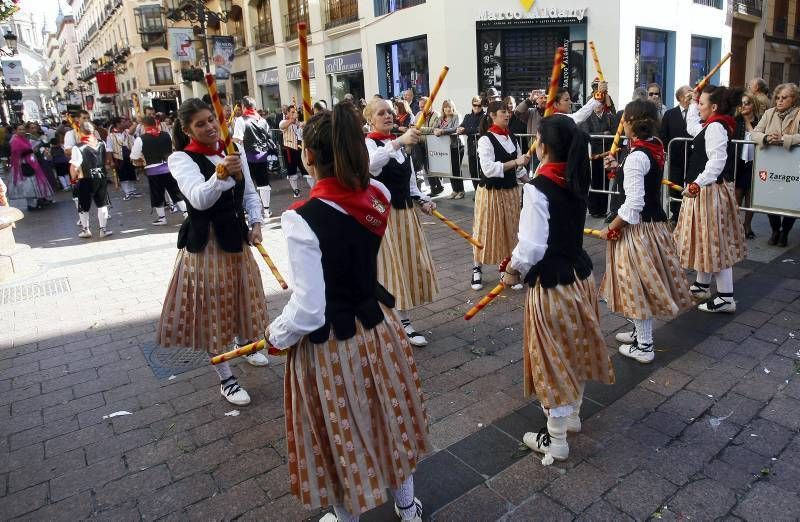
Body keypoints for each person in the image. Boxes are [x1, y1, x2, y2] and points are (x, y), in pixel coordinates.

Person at [266, 102, 429, 522]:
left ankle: (348, 516)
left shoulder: (301, 218)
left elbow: (307, 308)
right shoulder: (379, 195)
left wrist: (276, 336)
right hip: (378, 326)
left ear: (307, 157)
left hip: (333, 345)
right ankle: (407, 505)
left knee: (341, 435)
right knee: (389, 418)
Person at [501, 115, 614, 463]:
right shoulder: (577, 174)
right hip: (579, 278)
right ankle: (572, 416)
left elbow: (532, 246)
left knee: (553, 357)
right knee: (573, 348)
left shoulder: (537, 187)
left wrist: (512, 271)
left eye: (537, 139)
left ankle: (557, 438)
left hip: (553, 285)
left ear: (543, 146)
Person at [159, 98, 270, 406]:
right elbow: (199, 199)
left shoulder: (233, 149)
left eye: (211, 120)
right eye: (200, 123)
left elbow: (248, 192)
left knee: (241, 299)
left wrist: (257, 222)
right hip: (205, 247)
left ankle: (245, 348)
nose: (209, 127)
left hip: (236, 240)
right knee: (214, 313)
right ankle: (226, 379)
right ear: (187, 130)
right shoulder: (180, 159)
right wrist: (221, 174)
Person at [600, 100, 693, 363]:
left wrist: (612, 227)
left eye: (624, 119)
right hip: (654, 226)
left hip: (638, 230)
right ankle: (639, 333)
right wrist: (616, 170)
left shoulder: (637, 156)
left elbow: (634, 204)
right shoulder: (654, 146)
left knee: (636, 285)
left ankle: (644, 345)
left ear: (630, 122)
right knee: (640, 283)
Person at [364, 98, 439, 347]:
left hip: (406, 214)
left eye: (389, 112)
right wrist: (398, 142)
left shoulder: (400, 144)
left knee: (408, 266)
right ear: (370, 119)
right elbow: (371, 166)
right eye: (381, 113)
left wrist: (422, 200)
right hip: (382, 217)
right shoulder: (368, 143)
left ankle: (402, 319)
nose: (387, 116)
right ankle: (393, 322)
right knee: (389, 268)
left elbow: (410, 183)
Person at [674, 85, 747, 313]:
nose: (699, 107)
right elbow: (692, 127)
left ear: (713, 107)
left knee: (715, 242)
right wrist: (695, 101)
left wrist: (696, 184)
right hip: (707, 191)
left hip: (710, 191)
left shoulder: (716, 127)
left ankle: (726, 297)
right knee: (706, 241)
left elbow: (716, 162)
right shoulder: (713, 124)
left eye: (703, 104)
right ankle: (702, 285)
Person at [471, 100, 530, 291]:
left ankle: (509, 270)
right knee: (485, 231)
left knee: (511, 232)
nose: (507, 115)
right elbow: (488, 170)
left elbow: (520, 168)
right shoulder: (485, 140)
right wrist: (515, 162)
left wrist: (530, 184)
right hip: (491, 193)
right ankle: (476, 269)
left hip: (511, 192)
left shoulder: (511, 137)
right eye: (503, 112)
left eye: (508, 111)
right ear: (492, 115)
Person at [749, 83, 800, 247]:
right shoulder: (769, 113)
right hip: (771, 163)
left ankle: (785, 232)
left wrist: (785, 139)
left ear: (793, 99)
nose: (779, 101)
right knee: (771, 197)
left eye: (784, 98)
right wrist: (765, 138)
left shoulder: (799, 114)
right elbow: (754, 133)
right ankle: (775, 230)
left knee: (791, 199)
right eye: (777, 97)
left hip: (792, 164)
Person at [129, 116, 187, 226]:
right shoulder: (166, 135)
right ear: (156, 124)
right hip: (169, 167)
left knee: (157, 194)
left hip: (153, 170)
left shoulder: (141, 139)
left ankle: (162, 218)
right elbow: (173, 148)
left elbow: (134, 156)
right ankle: (186, 213)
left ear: (144, 126)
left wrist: (142, 158)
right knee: (175, 191)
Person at [69, 121, 112, 238]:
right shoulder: (101, 143)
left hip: (85, 179)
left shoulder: (78, 147)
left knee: (83, 205)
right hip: (101, 177)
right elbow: (106, 158)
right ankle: (103, 230)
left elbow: (74, 165)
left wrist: (73, 178)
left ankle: (86, 230)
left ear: (81, 132)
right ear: (93, 131)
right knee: (102, 204)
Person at [233, 96, 273, 218]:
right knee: (264, 183)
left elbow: (237, 140)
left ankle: (248, 210)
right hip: (262, 155)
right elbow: (268, 136)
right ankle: (266, 209)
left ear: (244, 107)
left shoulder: (240, 120)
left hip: (246, 156)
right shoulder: (263, 120)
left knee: (246, 184)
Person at [660, 86, 693, 224]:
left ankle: (689, 213)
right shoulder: (670, 114)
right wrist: (666, 151)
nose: (691, 96)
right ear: (680, 98)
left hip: (692, 156)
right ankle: (675, 213)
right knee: (675, 184)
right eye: (688, 94)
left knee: (690, 184)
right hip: (675, 156)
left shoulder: (696, 112)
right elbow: (664, 134)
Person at [733, 91, 764, 239]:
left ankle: (748, 225)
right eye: (742, 103)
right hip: (739, 162)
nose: (744, 106)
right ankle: (737, 226)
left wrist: (747, 122)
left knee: (751, 197)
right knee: (737, 194)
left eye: (747, 103)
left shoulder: (760, 121)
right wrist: (742, 120)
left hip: (755, 162)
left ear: (753, 105)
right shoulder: (735, 120)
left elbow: (757, 137)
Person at [7, 123, 56, 210]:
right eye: (20, 129)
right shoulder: (15, 140)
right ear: (16, 131)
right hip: (24, 165)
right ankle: (32, 205)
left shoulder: (24, 138)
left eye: (23, 129)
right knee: (28, 184)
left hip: (32, 163)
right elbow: (16, 153)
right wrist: (30, 151)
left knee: (34, 183)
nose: (22, 131)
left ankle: (37, 202)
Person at [580, 98, 613, 217]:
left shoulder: (609, 116)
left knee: (605, 181)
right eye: (596, 103)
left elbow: (612, 132)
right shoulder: (587, 116)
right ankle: (594, 209)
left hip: (606, 153)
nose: (598, 105)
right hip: (592, 154)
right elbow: (586, 133)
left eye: (600, 103)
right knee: (594, 181)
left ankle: (603, 209)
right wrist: (603, 134)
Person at [433, 99, 465, 199]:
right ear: (443, 108)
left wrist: (442, 131)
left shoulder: (456, 116)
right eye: (446, 106)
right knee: (450, 169)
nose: (447, 108)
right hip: (445, 147)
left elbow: (456, 128)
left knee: (456, 168)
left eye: (449, 106)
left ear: (453, 107)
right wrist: (436, 130)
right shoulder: (441, 118)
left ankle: (461, 190)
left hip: (457, 146)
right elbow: (435, 128)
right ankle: (454, 190)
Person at [279, 105, 310, 197]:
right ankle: (296, 190)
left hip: (299, 149)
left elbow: (303, 129)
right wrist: (291, 121)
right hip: (289, 149)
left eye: (294, 112)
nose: (293, 114)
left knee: (306, 169)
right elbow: (282, 126)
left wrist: (303, 125)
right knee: (291, 171)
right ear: (287, 113)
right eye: (291, 112)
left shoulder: (298, 123)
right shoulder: (284, 121)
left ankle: (314, 189)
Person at [414, 96, 442, 196]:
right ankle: (434, 187)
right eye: (420, 107)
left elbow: (433, 129)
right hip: (421, 143)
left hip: (432, 144)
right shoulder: (418, 114)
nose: (421, 109)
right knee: (426, 167)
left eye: (423, 107)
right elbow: (413, 125)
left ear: (429, 105)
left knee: (433, 166)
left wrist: (420, 128)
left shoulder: (436, 115)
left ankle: (438, 186)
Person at [107, 117, 139, 200]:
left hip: (129, 156)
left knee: (132, 173)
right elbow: (109, 149)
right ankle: (127, 192)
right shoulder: (110, 136)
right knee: (123, 175)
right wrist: (111, 161)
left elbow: (134, 142)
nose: (126, 123)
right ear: (118, 124)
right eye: (123, 122)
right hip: (119, 157)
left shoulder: (128, 132)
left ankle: (132, 190)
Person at [458, 95, 485, 193]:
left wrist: (466, 130)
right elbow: (461, 127)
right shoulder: (467, 116)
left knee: (483, 172)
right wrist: (460, 129)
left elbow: (479, 129)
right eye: (475, 105)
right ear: (472, 105)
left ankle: (483, 192)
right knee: (473, 171)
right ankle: (477, 192)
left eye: (479, 105)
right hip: (471, 148)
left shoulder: (485, 116)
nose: (477, 107)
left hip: (482, 148)